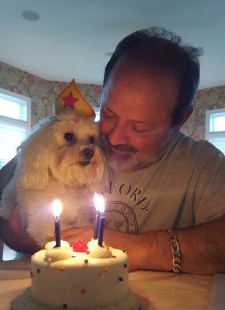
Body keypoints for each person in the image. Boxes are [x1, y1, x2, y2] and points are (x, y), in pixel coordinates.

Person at [1, 27, 225, 275]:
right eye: (108, 114)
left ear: (181, 120)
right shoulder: (58, 144)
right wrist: (11, 233)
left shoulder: (204, 165)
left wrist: (136, 248)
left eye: (139, 128)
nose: (114, 137)